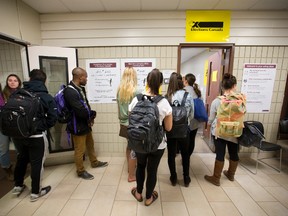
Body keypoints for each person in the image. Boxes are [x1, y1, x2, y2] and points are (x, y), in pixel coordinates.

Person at [12, 69, 57, 201]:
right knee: (37, 163)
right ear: (44, 81)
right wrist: (41, 127)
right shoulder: (46, 97)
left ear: (30, 79)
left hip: (18, 135)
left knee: (21, 159)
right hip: (36, 136)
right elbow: (53, 118)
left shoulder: (17, 94)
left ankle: (18, 185)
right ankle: (35, 192)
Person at [129, 68, 172, 206]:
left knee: (140, 166)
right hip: (157, 144)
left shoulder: (136, 99)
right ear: (160, 84)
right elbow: (169, 128)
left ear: (147, 81)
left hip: (139, 142)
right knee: (152, 170)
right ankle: (149, 198)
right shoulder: (164, 103)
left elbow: (131, 119)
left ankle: (138, 193)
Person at [64, 67, 108, 180]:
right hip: (77, 125)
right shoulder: (69, 91)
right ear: (80, 77)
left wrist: (90, 117)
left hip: (85, 123)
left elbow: (85, 104)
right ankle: (80, 171)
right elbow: (79, 111)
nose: (87, 79)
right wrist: (91, 115)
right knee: (80, 149)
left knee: (90, 143)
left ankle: (94, 162)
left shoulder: (80, 88)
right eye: (86, 77)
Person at [204, 73, 246, 186]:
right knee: (233, 152)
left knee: (220, 154)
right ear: (235, 86)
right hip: (235, 132)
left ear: (222, 87)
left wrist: (208, 127)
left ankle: (216, 178)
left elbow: (211, 118)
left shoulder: (217, 101)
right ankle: (231, 174)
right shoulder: (241, 100)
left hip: (220, 131)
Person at [166, 72, 194, 187]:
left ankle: (173, 177)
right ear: (181, 82)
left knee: (171, 154)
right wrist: (185, 121)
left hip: (171, 129)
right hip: (184, 129)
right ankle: (186, 178)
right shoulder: (188, 96)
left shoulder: (168, 96)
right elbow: (192, 115)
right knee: (185, 154)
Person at [117, 67, 138, 182]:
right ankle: (132, 172)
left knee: (129, 146)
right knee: (134, 148)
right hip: (133, 124)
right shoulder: (136, 90)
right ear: (133, 76)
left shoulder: (119, 90)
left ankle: (130, 167)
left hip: (123, 123)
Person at [0, 74, 22, 181]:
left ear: (19, 82)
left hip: (16, 126)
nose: (12, 82)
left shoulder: (22, 94)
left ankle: (19, 168)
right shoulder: (2, 94)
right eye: (10, 80)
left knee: (19, 149)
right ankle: (7, 169)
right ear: (7, 82)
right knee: (3, 149)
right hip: (2, 126)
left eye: (15, 80)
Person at [183, 73, 202, 157]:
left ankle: (185, 158)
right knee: (192, 139)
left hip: (185, 120)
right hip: (195, 120)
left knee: (184, 140)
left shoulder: (183, 91)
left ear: (186, 81)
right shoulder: (197, 91)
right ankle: (188, 157)